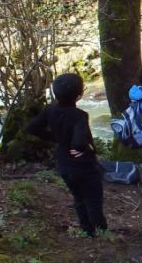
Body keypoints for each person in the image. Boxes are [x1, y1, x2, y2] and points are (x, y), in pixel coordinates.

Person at [26, 73, 107, 237]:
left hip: (64, 163)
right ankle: (103, 234)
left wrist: (55, 139)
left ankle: (87, 230)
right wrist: (89, 148)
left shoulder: (50, 110)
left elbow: (31, 128)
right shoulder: (79, 116)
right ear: (79, 96)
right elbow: (78, 143)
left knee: (79, 198)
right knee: (93, 201)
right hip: (83, 166)